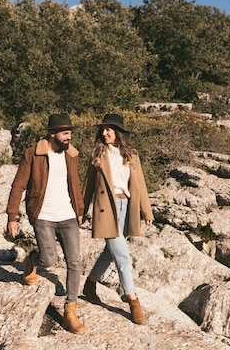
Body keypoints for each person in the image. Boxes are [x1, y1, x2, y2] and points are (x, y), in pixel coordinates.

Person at [6, 113, 86, 335]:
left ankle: (70, 309)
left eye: (70, 132)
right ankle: (31, 261)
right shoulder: (33, 154)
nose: (69, 137)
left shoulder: (71, 155)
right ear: (52, 134)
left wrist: (79, 210)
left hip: (67, 215)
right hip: (42, 214)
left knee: (75, 262)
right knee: (49, 260)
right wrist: (12, 216)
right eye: (65, 133)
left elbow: (75, 184)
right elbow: (18, 185)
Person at [82, 113, 154, 325]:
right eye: (103, 130)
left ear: (117, 132)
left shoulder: (131, 154)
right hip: (106, 207)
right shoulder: (98, 153)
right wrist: (81, 209)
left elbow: (139, 183)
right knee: (122, 255)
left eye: (108, 129)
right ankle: (133, 301)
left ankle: (90, 283)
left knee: (110, 252)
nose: (104, 133)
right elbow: (88, 184)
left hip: (126, 205)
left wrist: (146, 211)